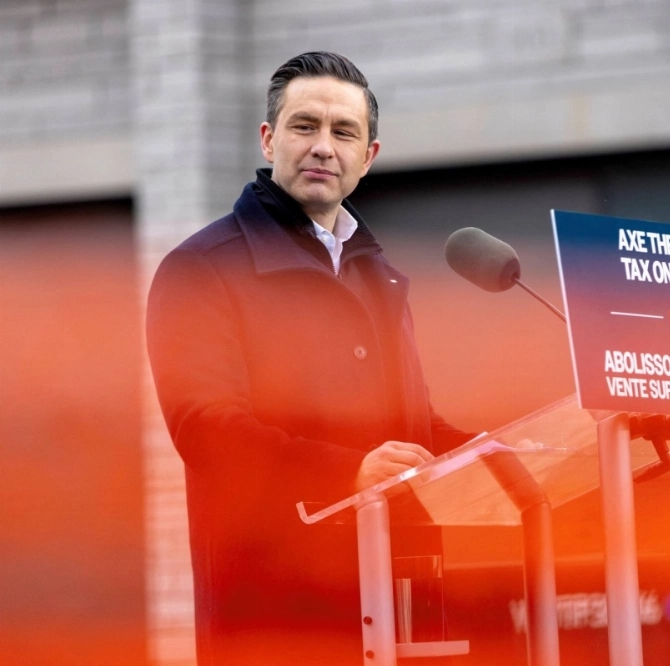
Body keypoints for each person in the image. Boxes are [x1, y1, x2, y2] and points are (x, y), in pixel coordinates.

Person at [146, 51, 473, 665]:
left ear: (368, 158)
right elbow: (208, 431)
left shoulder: (381, 279)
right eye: (305, 126)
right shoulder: (200, 270)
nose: (323, 147)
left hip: (398, 618)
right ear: (270, 139)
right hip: (275, 624)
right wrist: (346, 473)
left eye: (343, 132)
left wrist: (508, 454)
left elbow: (416, 432)